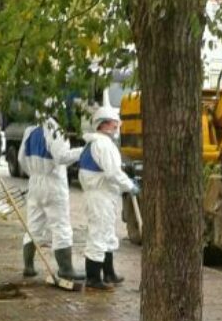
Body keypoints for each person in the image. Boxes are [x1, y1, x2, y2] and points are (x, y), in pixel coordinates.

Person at [16, 115, 83, 281]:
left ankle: (29, 267)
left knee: (33, 225)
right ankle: (66, 269)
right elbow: (62, 157)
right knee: (61, 226)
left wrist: (33, 173)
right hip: (53, 182)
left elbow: (20, 159)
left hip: (35, 182)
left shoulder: (30, 131)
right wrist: (83, 151)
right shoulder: (55, 130)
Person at [79, 106, 137, 291]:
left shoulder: (99, 143)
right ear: (104, 124)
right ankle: (93, 277)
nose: (117, 125)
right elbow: (113, 173)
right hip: (99, 196)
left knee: (107, 233)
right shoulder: (102, 144)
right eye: (114, 122)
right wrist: (130, 185)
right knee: (98, 233)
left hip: (103, 195)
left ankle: (109, 272)